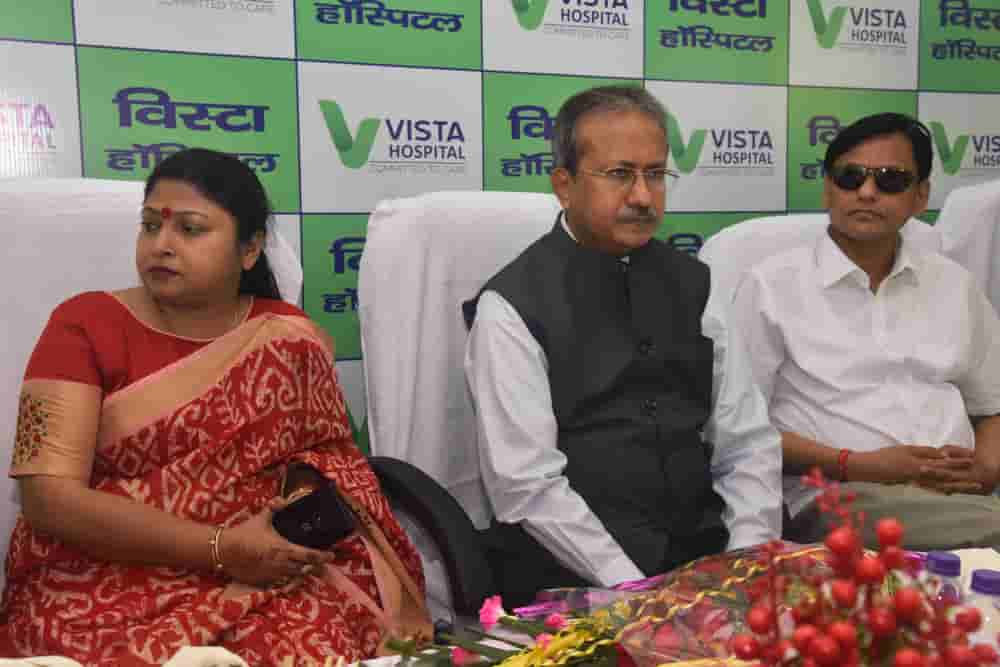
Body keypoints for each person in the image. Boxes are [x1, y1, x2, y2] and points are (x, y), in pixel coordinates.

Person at [0, 149, 431, 665]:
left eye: (190, 229)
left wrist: (294, 512)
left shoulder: (287, 338)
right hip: (100, 571)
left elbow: (329, 462)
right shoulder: (83, 325)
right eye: (150, 225)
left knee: (302, 645)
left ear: (249, 250)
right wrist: (220, 547)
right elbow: (48, 501)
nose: (161, 244)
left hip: (263, 570)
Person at [463, 85, 783, 605]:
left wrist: (745, 562)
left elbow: (746, 442)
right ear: (564, 185)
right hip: (580, 577)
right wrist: (634, 589)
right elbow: (526, 486)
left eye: (655, 174)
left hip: (709, 563)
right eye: (619, 174)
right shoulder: (511, 306)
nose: (642, 196)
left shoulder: (694, 283)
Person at [732, 113, 1000, 549]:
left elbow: (992, 407)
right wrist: (856, 463)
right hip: (841, 498)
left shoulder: (955, 285)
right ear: (827, 188)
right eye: (850, 177)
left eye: (890, 180)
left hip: (964, 500)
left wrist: (986, 469)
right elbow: (738, 429)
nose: (867, 192)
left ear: (920, 196)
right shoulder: (771, 287)